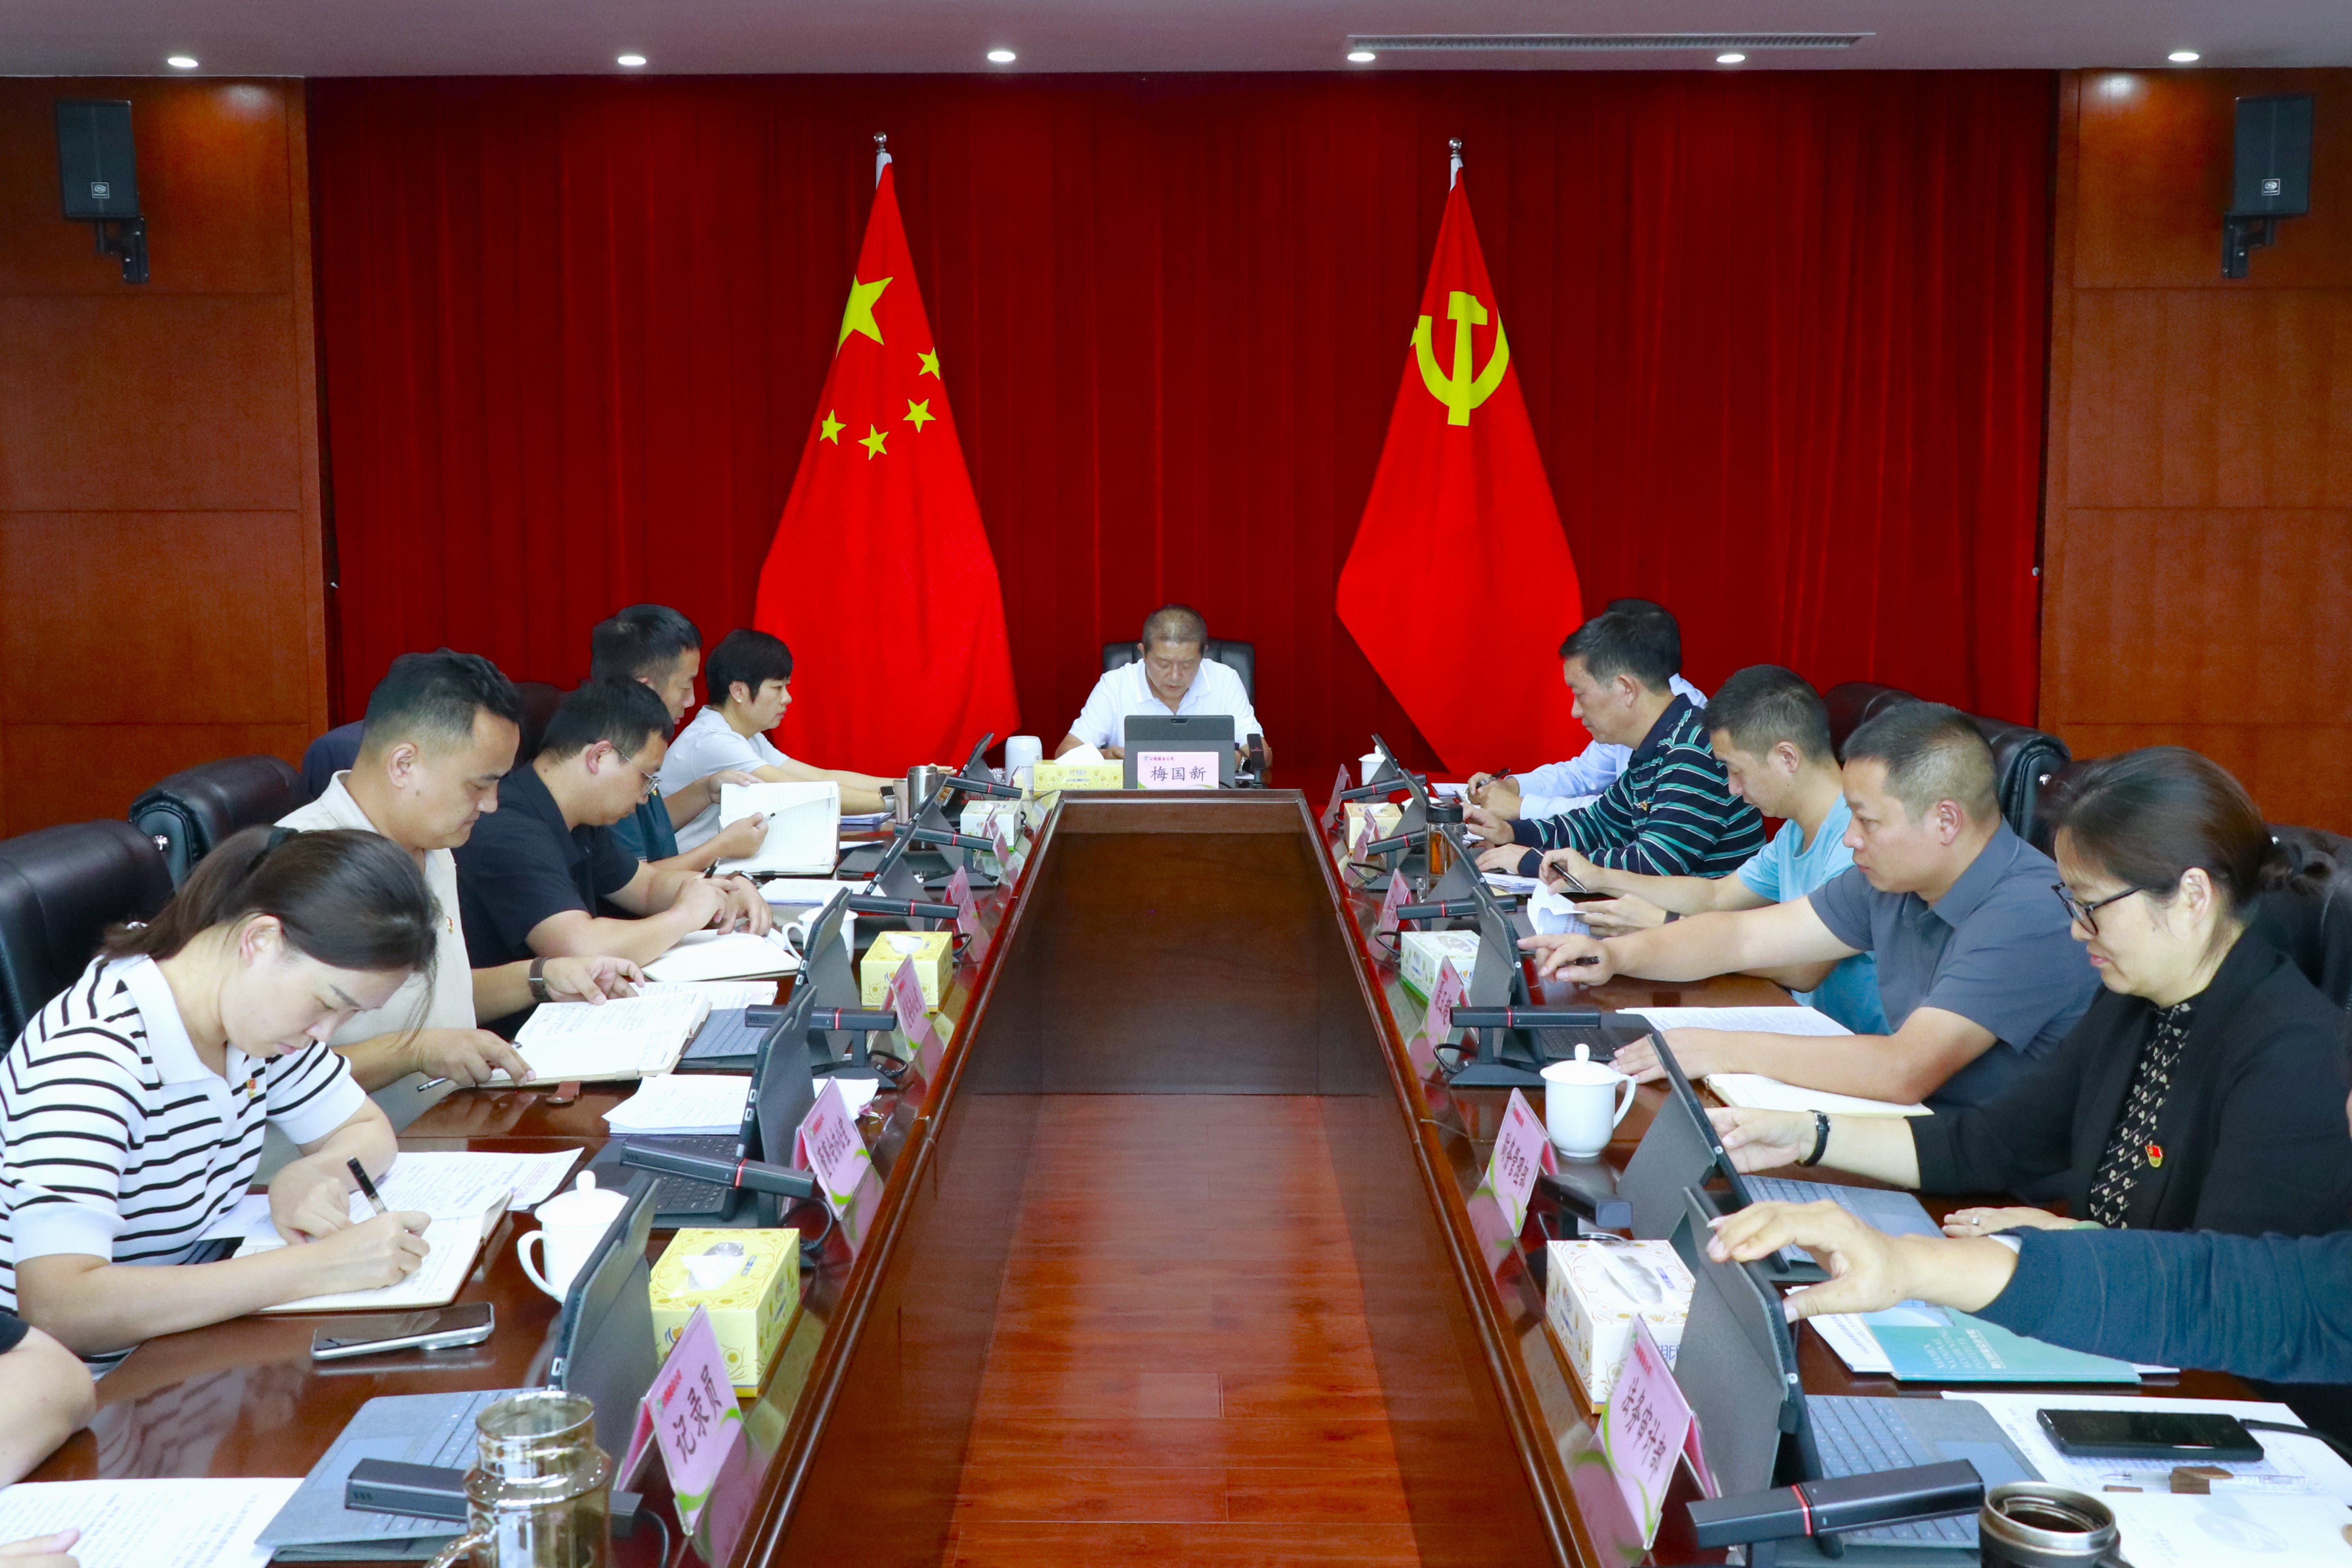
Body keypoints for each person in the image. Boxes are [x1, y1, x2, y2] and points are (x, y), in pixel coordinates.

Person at [1707, 747, 2352, 1244]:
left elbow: (2231, 1282)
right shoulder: (2133, 1003)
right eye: (2072, 903)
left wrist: (2073, 1239)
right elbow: (1989, 1144)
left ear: (2190, 896)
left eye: (2092, 905)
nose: (2076, 930)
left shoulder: (2292, 1055)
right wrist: (1806, 1135)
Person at [0, 828, 438, 1366]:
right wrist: (322, 1267)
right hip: (92, 1380)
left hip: (193, 1341)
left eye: (349, 1015)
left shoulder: (253, 1021)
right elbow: (60, 1307)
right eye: (328, 1003)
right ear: (261, 941)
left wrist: (310, 1174)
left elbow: (363, 1130)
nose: (325, 1033)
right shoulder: (91, 1055)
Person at [1526, 701, 2096, 1110]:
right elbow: (1742, 936)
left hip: (1997, 1187)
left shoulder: (2028, 911)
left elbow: (1905, 1069)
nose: (1850, 838)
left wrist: (1717, 1048)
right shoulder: (1892, 879)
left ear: (1946, 820)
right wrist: (1616, 955)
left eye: (1868, 821)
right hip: (1910, 1130)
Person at [279, 651, 642, 1094]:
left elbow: (438, 998)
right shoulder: (300, 866)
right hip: (370, 1134)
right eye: (479, 785)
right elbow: (269, 1078)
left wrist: (543, 977)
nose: (491, 804)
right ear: (403, 765)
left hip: (453, 1110)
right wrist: (414, 1052)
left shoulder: (433, 842)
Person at [1537, 666, 1886, 1033]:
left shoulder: (1857, 840)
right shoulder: (1795, 830)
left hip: (1853, 1041)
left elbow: (1804, 968)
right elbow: (1717, 895)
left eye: (1736, 770)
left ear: (1787, 757)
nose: (1733, 788)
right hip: (1806, 1023)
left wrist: (1662, 923)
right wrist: (1601, 877)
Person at [455, 679, 771, 984]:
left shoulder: (577, 818)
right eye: (646, 777)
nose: (645, 796)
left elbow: (646, 887)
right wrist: (685, 916)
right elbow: (580, 948)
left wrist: (722, 887)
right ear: (599, 756)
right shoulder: (508, 827)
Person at [1465, 607, 1763, 879]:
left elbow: (1653, 865)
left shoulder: (1693, 747)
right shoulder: (1659, 742)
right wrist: (1511, 832)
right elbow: (1598, 825)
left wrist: (1536, 861)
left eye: (1580, 695)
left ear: (1626, 689)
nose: (1575, 711)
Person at [1466, 599, 1704, 819]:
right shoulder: (1631, 716)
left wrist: (1520, 808)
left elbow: (1623, 819)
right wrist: (1512, 787)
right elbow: (1585, 778)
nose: (1575, 712)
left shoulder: (1690, 738)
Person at [657, 629, 892, 846]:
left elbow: (821, 777)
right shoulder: (714, 741)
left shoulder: (747, 736)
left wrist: (903, 785)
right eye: (778, 688)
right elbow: (805, 793)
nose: (787, 698)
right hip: (686, 868)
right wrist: (897, 801)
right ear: (739, 691)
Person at [588, 606, 767, 870]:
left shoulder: (627, 739)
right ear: (645, 689)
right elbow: (637, 882)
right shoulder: (609, 761)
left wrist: (706, 790)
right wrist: (722, 846)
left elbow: (647, 828)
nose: (691, 700)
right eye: (684, 686)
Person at [1057, 604, 1268, 769]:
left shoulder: (1224, 679)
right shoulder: (1116, 684)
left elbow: (1262, 753)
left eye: (1187, 664)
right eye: (1163, 664)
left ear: (1203, 654)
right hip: (1135, 804)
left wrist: (1240, 759)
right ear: (1143, 653)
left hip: (1208, 801)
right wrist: (1106, 757)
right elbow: (1065, 754)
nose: (1175, 676)